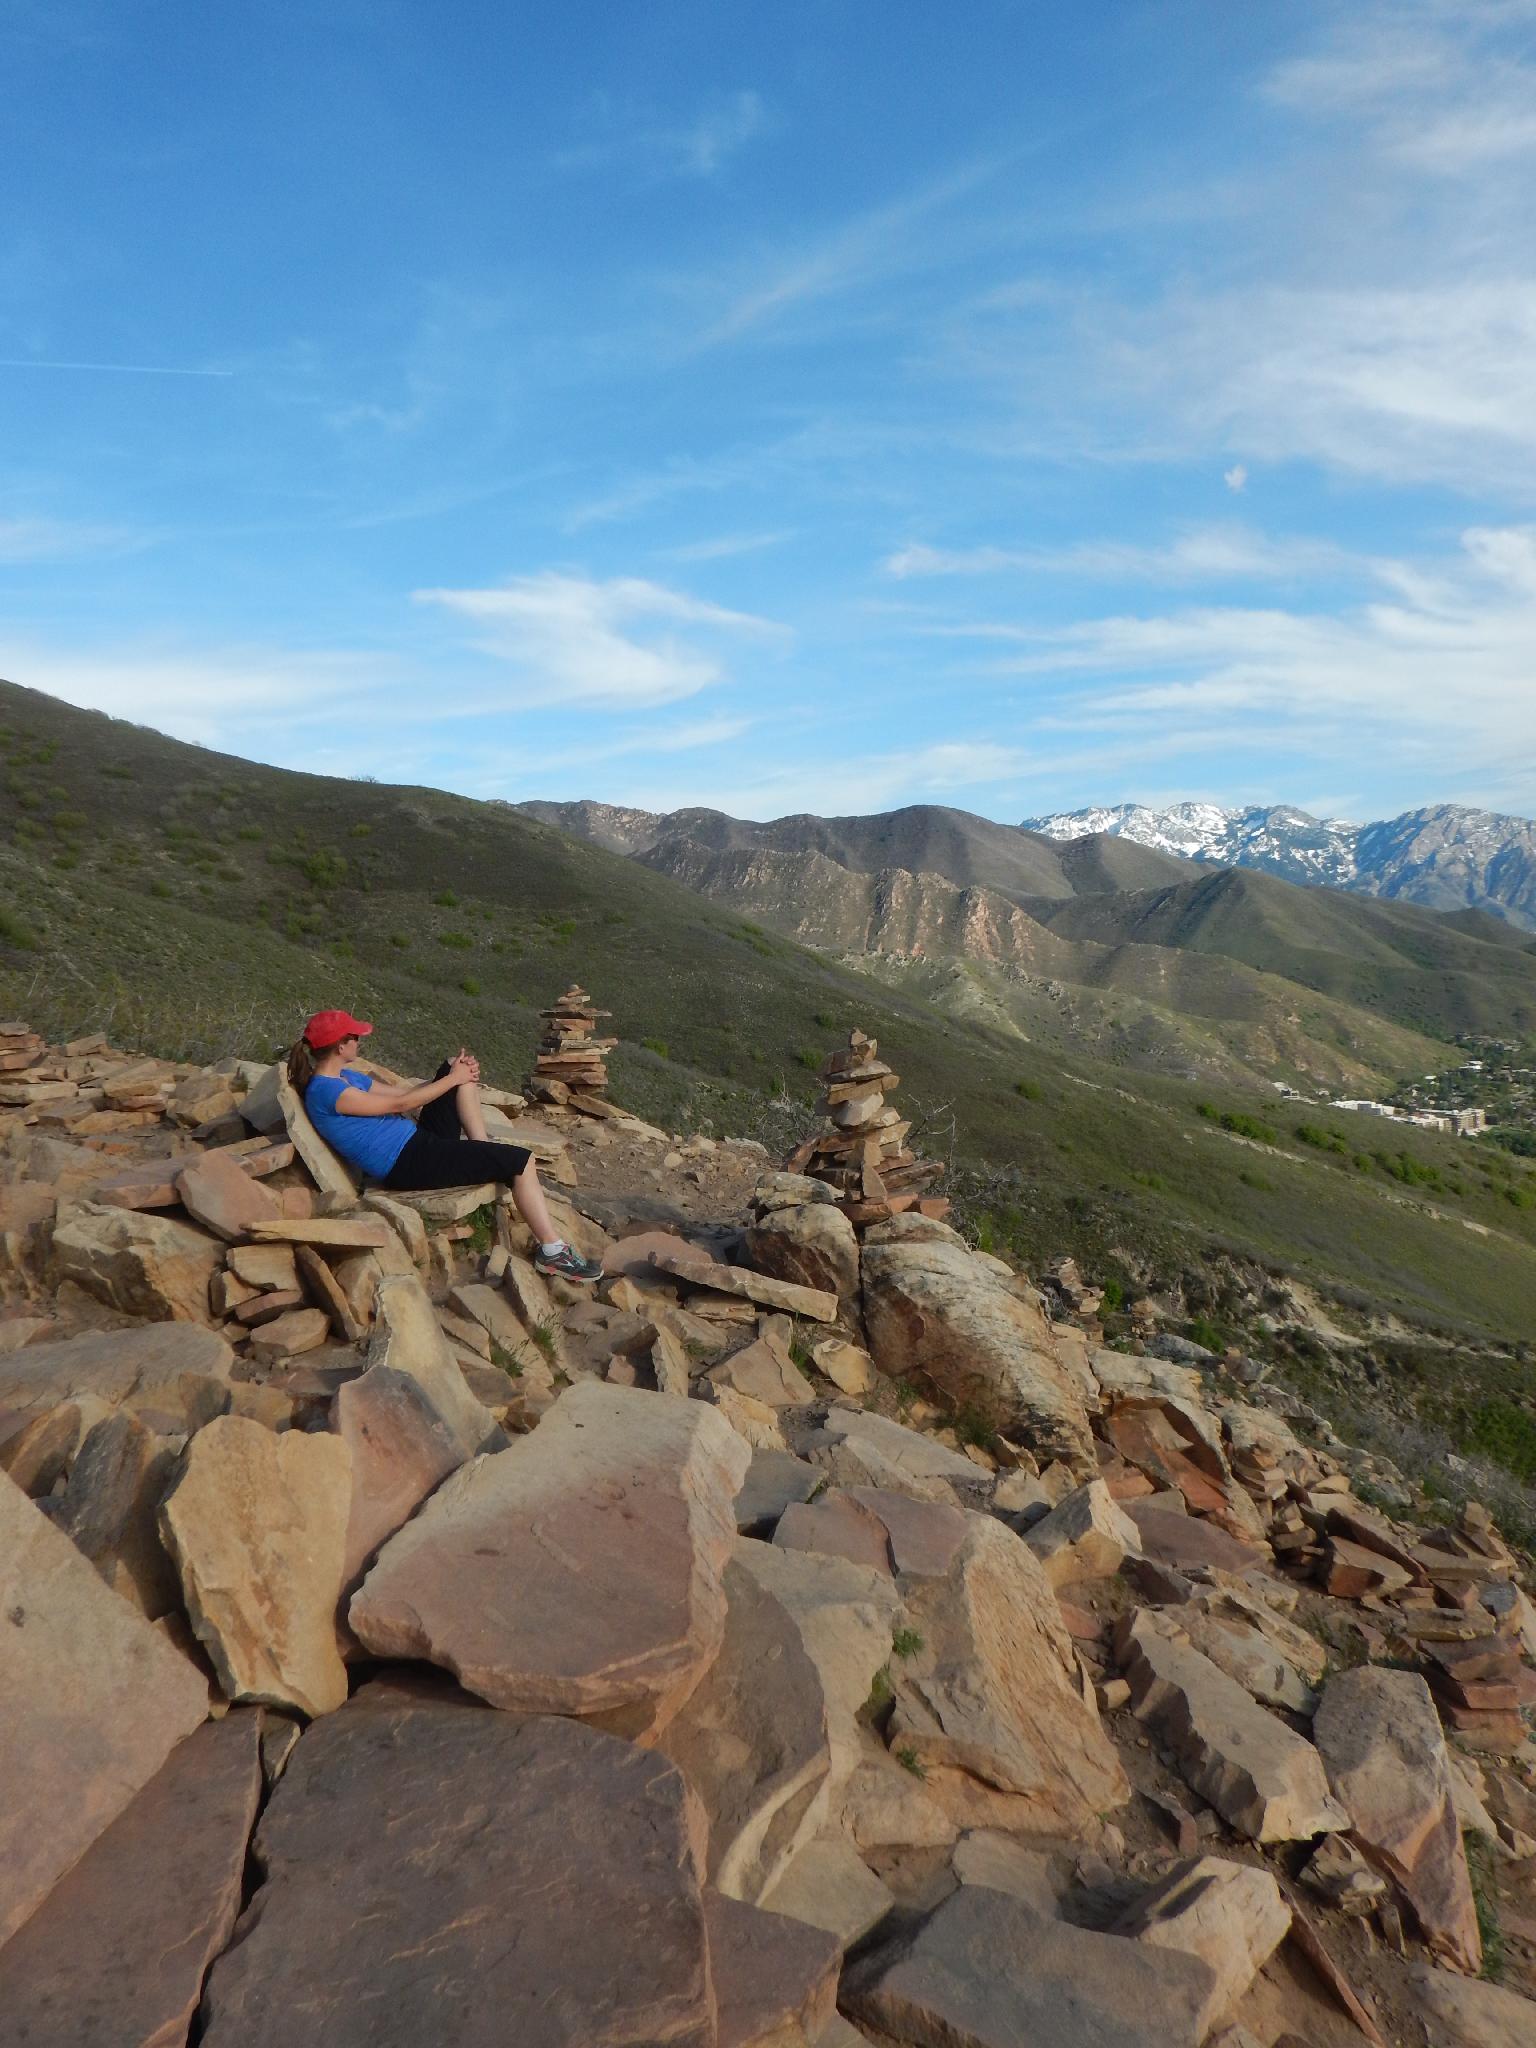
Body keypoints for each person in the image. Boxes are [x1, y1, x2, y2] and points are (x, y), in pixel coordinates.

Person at [286, 1008, 601, 1283]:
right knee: (522, 1161)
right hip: (407, 1164)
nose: (360, 1040)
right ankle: (552, 1252)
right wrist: (452, 1079)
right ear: (341, 1045)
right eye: (355, 1036)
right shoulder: (327, 1092)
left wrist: (455, 1073)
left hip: (417, 1144)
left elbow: (400, 1094)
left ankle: (482, 1151)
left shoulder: (346, 1078)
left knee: (454, 1067)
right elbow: (401, 1105)